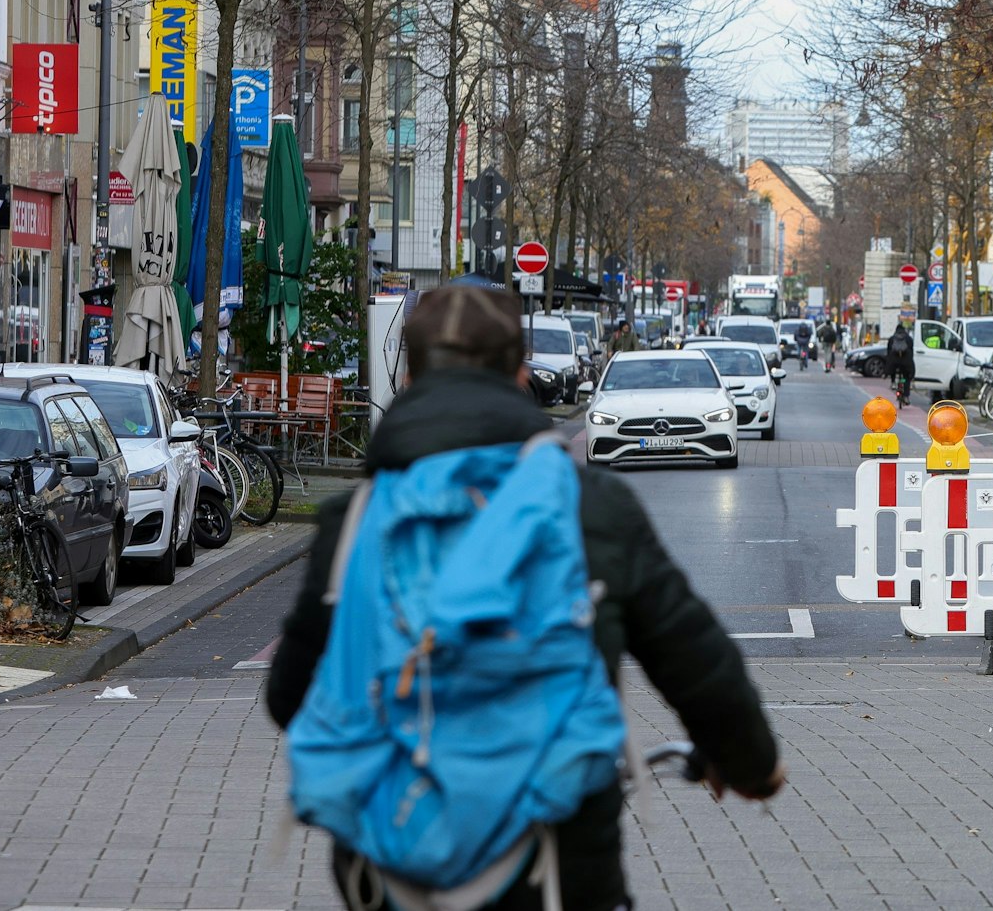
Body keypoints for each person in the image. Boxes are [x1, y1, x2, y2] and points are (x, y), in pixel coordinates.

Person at [266, 286, 783, 911]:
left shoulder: (355, 520)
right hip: (558, 864)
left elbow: (289, 697)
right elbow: (694, 658)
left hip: (391, 867)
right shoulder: (589, 506)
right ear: (519, 374)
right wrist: (751, 764)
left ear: (408, 377)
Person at [886, 320, 916, 406]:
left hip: (894, 362)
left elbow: (888, 351)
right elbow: (911, 351)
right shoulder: (909, 339)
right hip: (906, 362)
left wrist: (889, 361)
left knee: (892, 368)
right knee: (906, 377)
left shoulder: (892, 338)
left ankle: (893, 382)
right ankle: (906, 396)